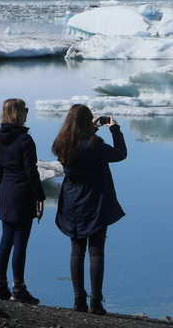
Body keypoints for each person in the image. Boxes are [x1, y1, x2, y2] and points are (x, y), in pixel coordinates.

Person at [52, 104, 127, 315]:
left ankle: (78, 300)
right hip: (96, 202)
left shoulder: (61, 143)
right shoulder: (95, 144)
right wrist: (115, 129)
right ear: (86, 122)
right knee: (96, 252)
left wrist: (90, 130)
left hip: (72, 202)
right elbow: (120, 154)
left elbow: (78, 148)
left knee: (76, 251)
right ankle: (96, 301)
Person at [0, 98, 45, 304]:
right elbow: (31, 172)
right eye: (25, 110)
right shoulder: (25, 141)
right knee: (20, 242)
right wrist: (40, 196)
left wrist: (4, 187)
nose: (27, 113)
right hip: (22, 193)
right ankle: (19, 289)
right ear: (18, 114)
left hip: (6, 192)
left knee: (6, 239)